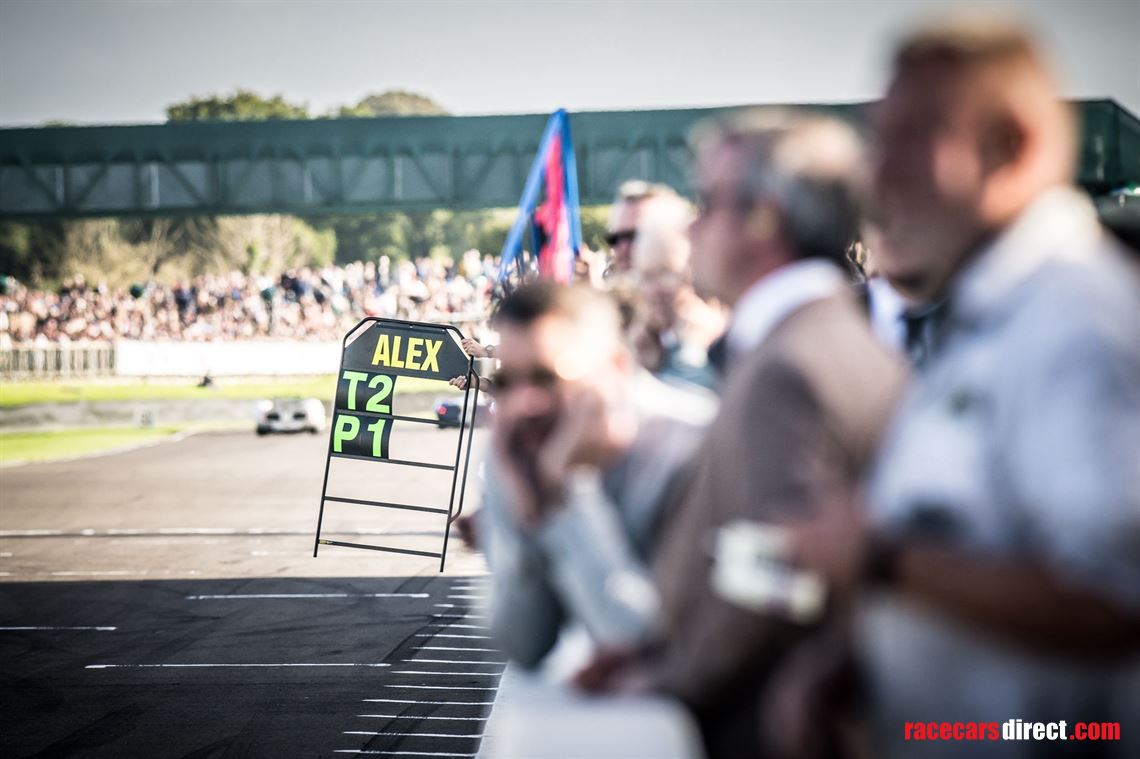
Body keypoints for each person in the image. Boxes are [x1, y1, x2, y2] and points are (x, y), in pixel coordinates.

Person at [789, 18, 1140, 759]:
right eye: (877, 141)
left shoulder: (1070, 319)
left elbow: (1115, 598)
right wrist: (860, 675)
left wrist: (879, 558)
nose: (877, 176)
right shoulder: (988, 306)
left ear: (1013, 146)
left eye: (913, 139)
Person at [580, 110, 905, 759]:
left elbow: (775, 576)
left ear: (765, 216)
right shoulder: (822, 337)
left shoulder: (791, 365)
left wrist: (669, 674)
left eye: (707, 202)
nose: (693, 227)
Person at [478, 282, 715, 669]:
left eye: (545, 378)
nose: (525, 404)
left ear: (616, 367)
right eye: (507, 382)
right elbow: (522, 642)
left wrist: (563, 494)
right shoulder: (517, 452)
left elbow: (636, 640)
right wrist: (517, 514)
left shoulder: (695, 446)